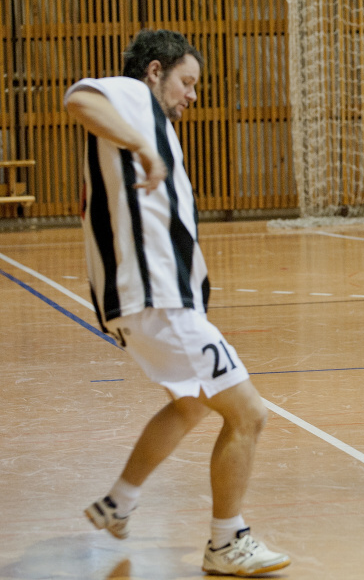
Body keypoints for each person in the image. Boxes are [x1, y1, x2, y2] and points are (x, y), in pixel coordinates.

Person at [64, 29, 290, 576]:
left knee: (191, 403)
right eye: (186, 82)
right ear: (155, 71)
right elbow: (78, 97)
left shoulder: (155, 125)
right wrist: (142, 146)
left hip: (157, 301)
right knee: (249, 415)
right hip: (157, 300)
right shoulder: (132, 97)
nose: (192, 95)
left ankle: (119, 500)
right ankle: (226, 542)